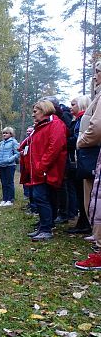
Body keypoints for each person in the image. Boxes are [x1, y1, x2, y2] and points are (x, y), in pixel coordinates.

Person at [22, 100, 67, 241]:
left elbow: (55, 147)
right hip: (40, 170)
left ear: (44, 110)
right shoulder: (41, 126)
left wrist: (41, 166)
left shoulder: (55, 124)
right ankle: (44, 226)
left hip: (47, 170)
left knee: (41, 197)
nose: (33, 114)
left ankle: (46, 229)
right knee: (43, 197)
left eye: (35, 111)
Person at [75, 61, 101, 270]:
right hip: (93, 154)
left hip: (94, 152)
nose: (95, 76)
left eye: (98, 72)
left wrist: (81, 141)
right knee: (93, 198)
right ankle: (97, 237)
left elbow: (96, 127)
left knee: (97, 199)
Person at [66, 95, 92, 234]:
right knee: (79, 193)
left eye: (73, 104)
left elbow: (78, 140)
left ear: (81, 105)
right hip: (77, 161)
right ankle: (82, 222)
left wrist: (65, 141)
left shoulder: (83, 121)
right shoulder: (76, 121)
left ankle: (85, 223)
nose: (71, 107)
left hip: (81, 162)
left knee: (83, 193)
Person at [0, 127, 19, 206]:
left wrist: (9, 159)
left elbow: (17, 153)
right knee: (3, 182)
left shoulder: (14, 142)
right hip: (1, 164)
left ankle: (10, 199)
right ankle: (4, 199)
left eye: (6, 133)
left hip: (10, 165)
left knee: (9, 182)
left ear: (11, 134)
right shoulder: (1, 143)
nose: (4, 134)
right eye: (3, 133)